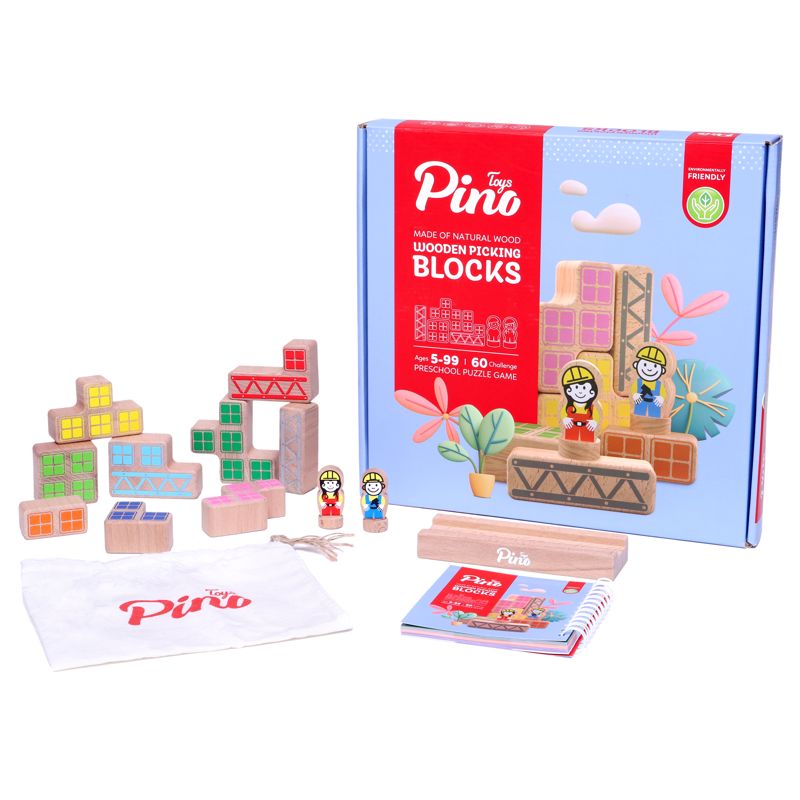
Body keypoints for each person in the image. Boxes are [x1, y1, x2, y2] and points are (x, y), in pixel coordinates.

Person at [561, 365, 600, 442]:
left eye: (584, 388)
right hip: (571, 430)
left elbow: (598, 417)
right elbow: (561, 415)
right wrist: (564, 420)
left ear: (592, 392)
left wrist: (595, 423)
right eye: (576, 387)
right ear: (568, 391)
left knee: (587, 442)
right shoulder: (567, 406)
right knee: (571, 441)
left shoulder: (593, 407)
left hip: (588, 430)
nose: (580, 392)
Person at [632, 345, 668, 417]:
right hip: (640, 403)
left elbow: (664, 394)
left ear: (662, 370)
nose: (649, 369)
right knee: (638, 417)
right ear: (636, 365)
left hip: (655, 405)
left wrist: (661, 398)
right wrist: (635, 395)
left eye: (655, 366)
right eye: (645, 364)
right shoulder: (637, 382)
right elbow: (633, 390)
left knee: (654, 418)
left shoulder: (659, 384)